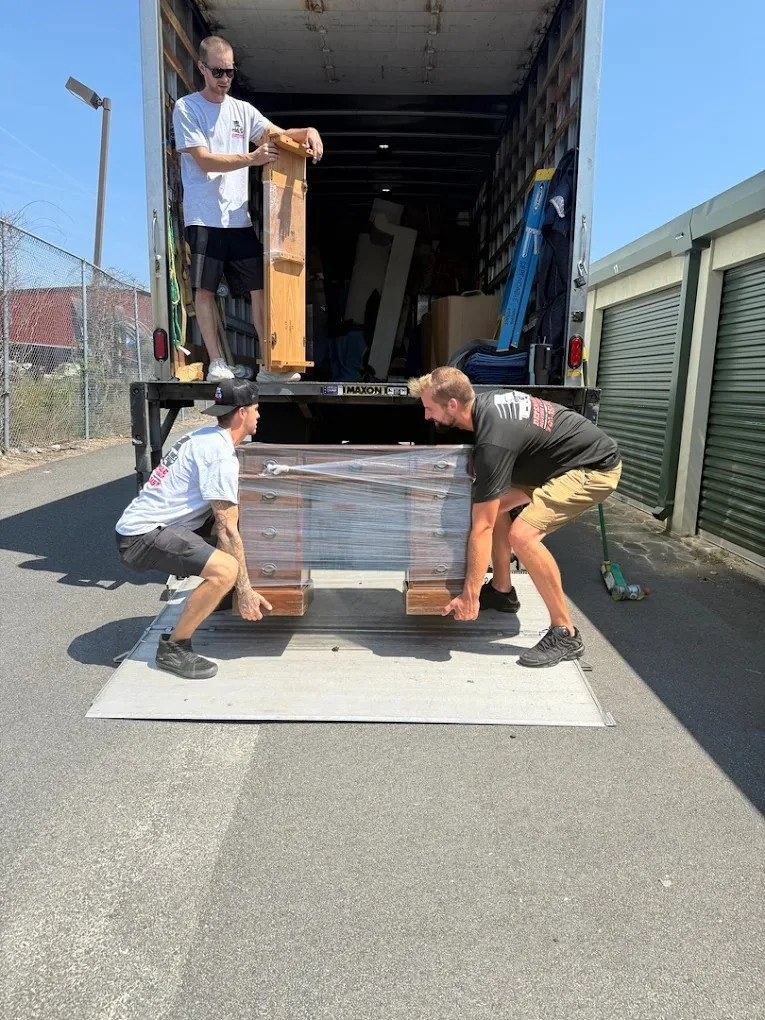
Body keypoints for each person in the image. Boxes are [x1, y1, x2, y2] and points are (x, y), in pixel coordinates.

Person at [409, 367, 622, 668]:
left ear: (452, 405)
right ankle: (502, 591)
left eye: (429, 408)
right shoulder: (485, 406)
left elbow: (481, 529)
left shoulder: (492, 442)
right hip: (555, 463)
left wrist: (470, 595)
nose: (427, 416)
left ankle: (566, 633)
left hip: (591, 468)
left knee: (522, 536)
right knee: (492, 506)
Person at [172, 35, 324, 383]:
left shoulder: (242, 110)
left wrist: (310, 132)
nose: (225, 78)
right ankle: (216, 363)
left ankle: (272, 363)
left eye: (230, 71)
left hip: (239, 220)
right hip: (205, 218)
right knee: (205, 291)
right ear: (202, 68)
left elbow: (279, 134)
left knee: (261, 289)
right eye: (218, 71)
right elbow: (205, 160)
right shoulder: (187, 108)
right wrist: (252, 158)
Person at [115, 379, 271, 680]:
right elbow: (226, 529)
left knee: (226, 533)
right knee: (226, 568)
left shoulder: (206, 437)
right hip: (142, 536)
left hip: (150, 527)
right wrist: (245, 589)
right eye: (255, 409)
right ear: (241, 413)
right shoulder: (219, 455)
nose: (258, 415)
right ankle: (174, 648)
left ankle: (217, 597)